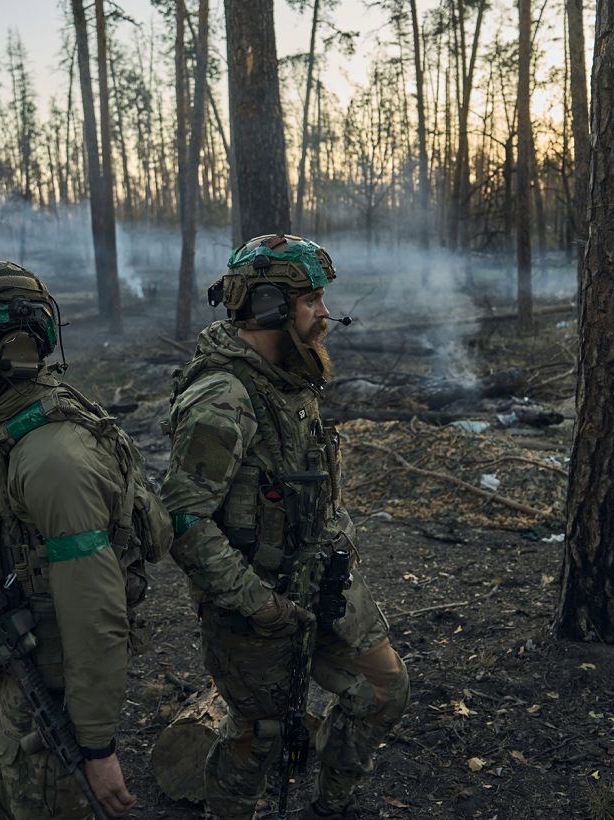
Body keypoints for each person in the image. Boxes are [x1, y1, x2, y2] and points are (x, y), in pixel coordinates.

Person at [160, 234, 409, 819]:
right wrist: (257, 603)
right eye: (312, 300)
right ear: (271, 304)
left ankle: (332, 806)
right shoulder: (224, 395)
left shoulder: (287, 376)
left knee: (382, 690)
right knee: (260, 737)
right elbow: (184, 518)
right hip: (256, 604)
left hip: (325, 580)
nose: (324, 312)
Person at [0, 257, 144, 819]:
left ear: (15, 347)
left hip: (46, 686)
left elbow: (95, 608)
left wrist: (96, 746)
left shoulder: (53, 456)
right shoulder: (1, 424)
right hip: (0, 668)